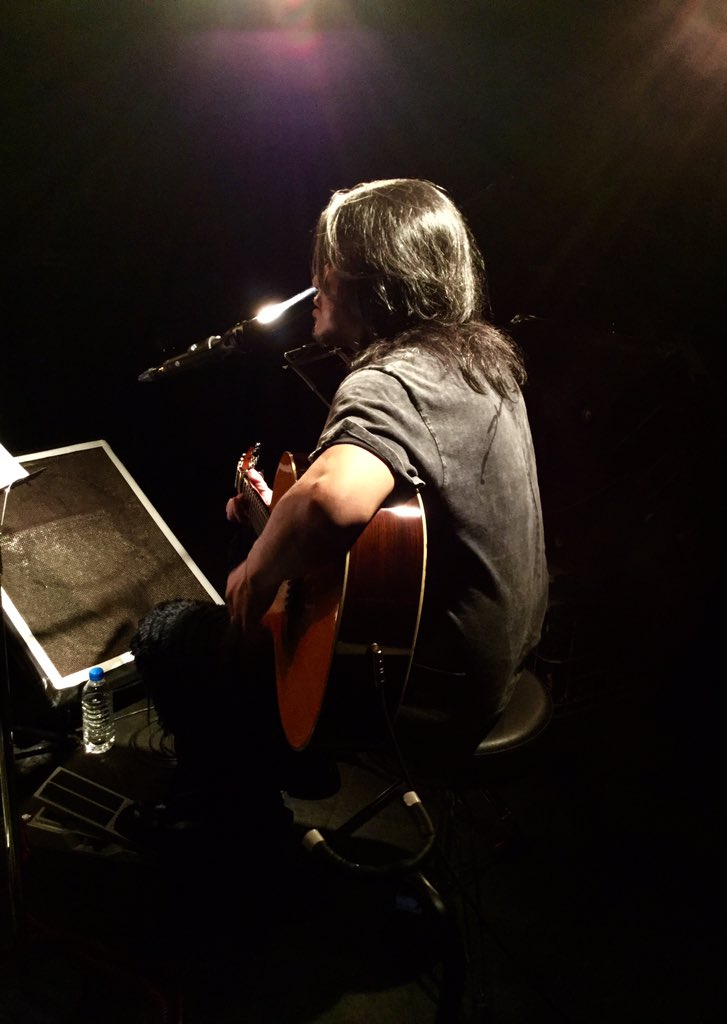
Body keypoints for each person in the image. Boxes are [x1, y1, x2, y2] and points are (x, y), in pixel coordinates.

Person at [130, 178, 547, 841]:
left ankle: (238, 834)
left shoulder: (392, 379)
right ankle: (282, 765)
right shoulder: (481, 365)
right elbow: (405, 528)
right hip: (496, 667)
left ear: (368, 279)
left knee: (168, 635)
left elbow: (331, 501)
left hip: (425, 695)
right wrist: (273, 521)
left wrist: (258, 570)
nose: (315, 284)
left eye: (326, 265)